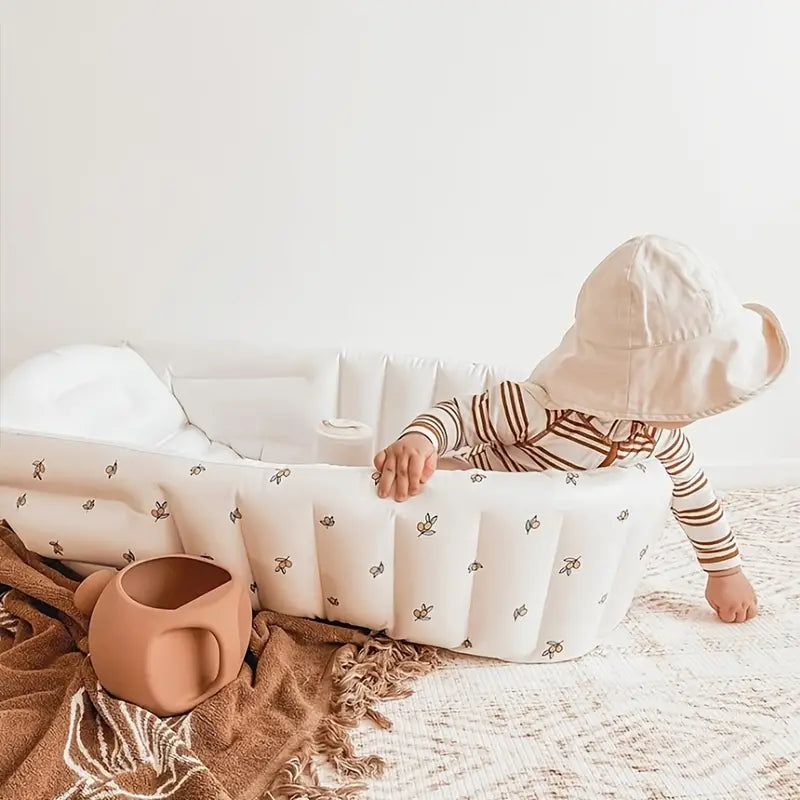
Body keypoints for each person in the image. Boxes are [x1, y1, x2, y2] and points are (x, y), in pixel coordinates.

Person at [374, 235, 789, 624]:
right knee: (444, 484)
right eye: (690, 385)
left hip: (553, 543)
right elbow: (460, 416)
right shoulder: (541, 408)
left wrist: (725, 571)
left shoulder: (658, 435)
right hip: (489, 513)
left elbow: (694, 496)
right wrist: (419, 439)